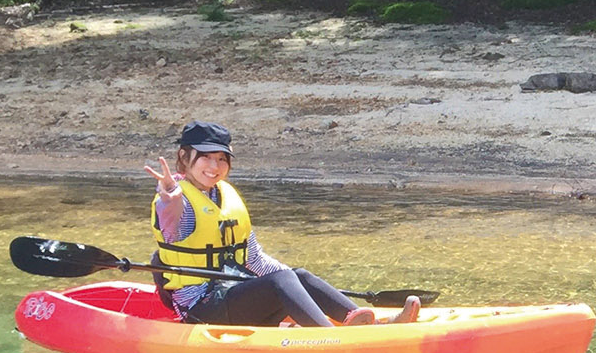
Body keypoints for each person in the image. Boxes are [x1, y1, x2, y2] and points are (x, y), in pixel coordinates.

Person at [148, 122, 419, 328]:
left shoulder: (224, 195)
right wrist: (169, 196)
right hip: (202, 308)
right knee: (282, 280)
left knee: (296, 274)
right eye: (205, 157)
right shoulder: (178, 202)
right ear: (184, 157)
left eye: (221, 158)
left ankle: (364, 323)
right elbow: (171, 220)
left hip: (231, 297)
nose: (214, 166)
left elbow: (254, 258)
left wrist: (296, 286)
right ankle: (331, 340)